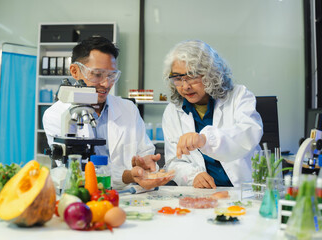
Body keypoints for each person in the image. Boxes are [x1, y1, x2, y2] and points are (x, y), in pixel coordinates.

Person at [43, 36, 171, 190]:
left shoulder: (128, 109)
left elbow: (145, 151)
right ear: (75, 71)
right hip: (84, 197)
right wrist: (128, 175)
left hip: (130, 196)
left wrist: (144, 163)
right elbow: (77, 171)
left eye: (111, 76)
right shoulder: (56, 115)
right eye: (97, 74)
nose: (106, 84)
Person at [162, 40, 263, 189]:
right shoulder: (172, 111)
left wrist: (205, 139)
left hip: (244, 188)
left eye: (192, 76)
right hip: (203, 192)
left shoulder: (239, 96)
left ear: (210, 74)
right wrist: (193, 176)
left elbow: (249, 133)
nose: (185, 86)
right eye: (178, 78)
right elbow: (173, 162)